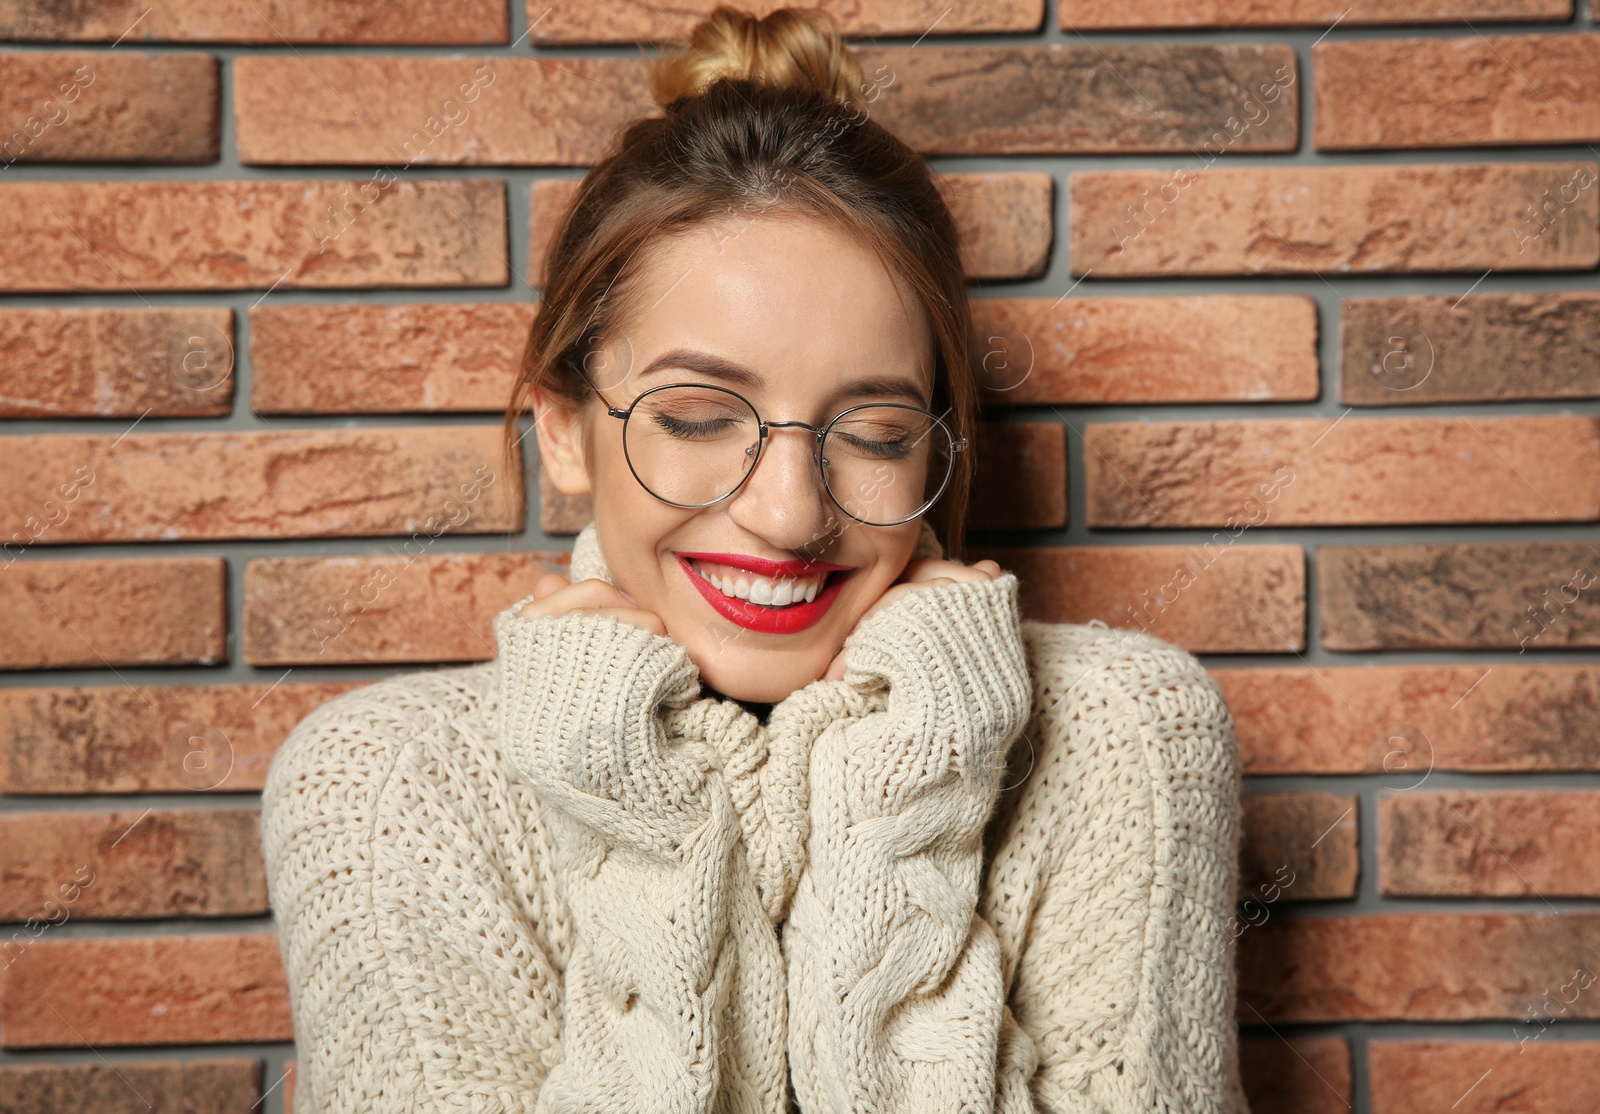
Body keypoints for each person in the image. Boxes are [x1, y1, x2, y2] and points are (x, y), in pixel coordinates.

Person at [260, 8, 1249, 1113]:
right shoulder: (393, 791)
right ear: (560, 427)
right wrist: (633, 815)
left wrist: (914, 784)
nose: (788, 514)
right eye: (694, 417)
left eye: (873, 435)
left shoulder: (1121, 736)